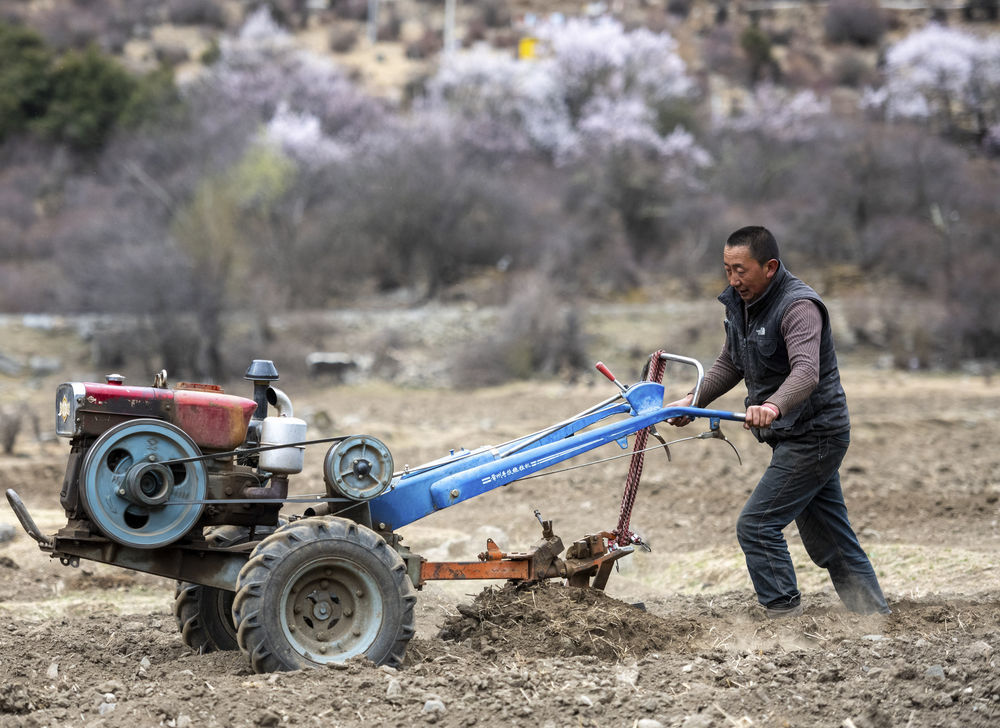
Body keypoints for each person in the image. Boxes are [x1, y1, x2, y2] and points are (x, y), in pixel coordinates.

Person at [667, 226, 889, 618]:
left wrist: (772, 406)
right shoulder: (740, 303)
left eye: (741, 270)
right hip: (792, 435)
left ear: (769, 267)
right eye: (726, 269)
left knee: (756, 526)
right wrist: (691, 400)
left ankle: (782, 617)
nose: (733, 280)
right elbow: (731, 362)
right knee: (830, 539)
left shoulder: (798, 306)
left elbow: (806, 372)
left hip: (815, 434)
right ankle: (873, 616)